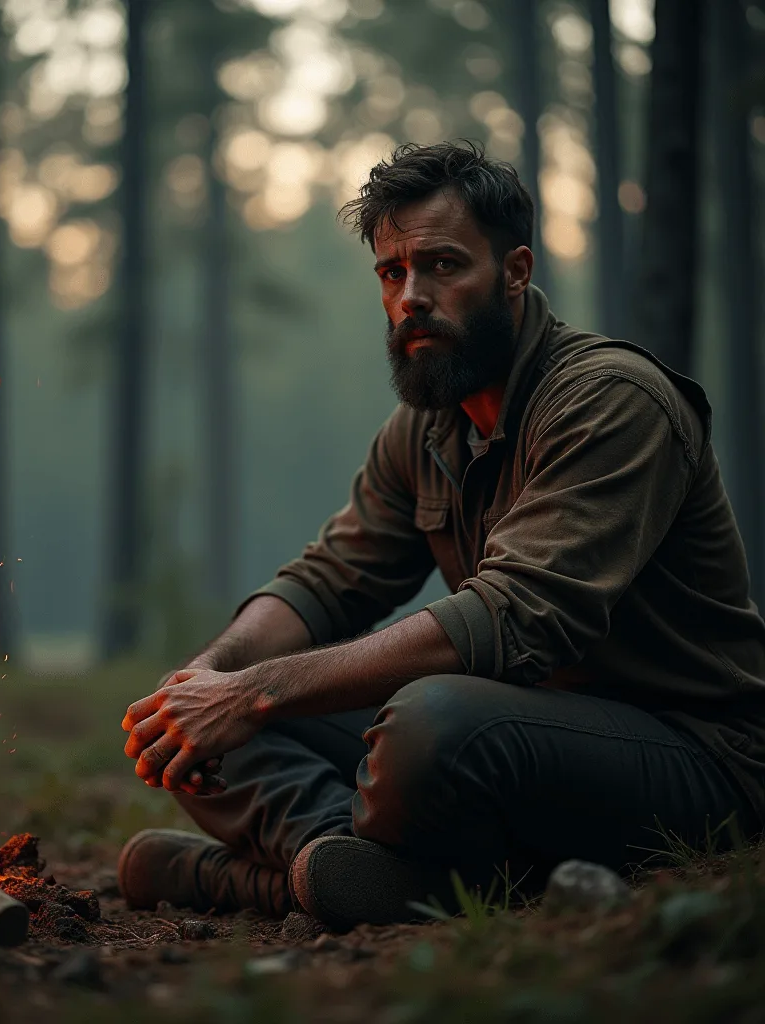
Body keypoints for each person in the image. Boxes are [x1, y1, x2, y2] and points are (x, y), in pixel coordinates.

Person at [117, 141, 765, 931]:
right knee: (185, 718)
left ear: (516, 272)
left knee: (430, 725)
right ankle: (346, 867)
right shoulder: (425, 429)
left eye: (443, 266)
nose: (411, 296)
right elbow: (327, 581)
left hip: (695, 757)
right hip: (523, 729)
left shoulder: (613, 402)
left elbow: (513, 615)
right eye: (393, 274)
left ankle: (256, 879)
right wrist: (214, 674)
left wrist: (255, 693)